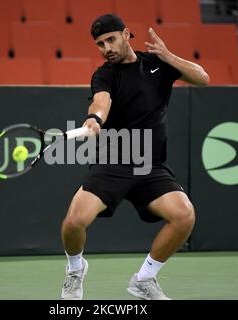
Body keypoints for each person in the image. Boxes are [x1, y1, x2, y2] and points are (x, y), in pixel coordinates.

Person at [60, 14, 209, 300]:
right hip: (113, 162)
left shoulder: (158, 65)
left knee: (184, 215)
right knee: (74, 222)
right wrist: (95, 118)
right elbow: (101, 101)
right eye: (100, 44)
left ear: (126, 34)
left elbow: (202, 79)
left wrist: (168, 56)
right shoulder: (105, 74)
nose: (107, 48)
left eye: (111, 39)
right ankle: (75, 270)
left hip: (150, 166)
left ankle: (144, 279)